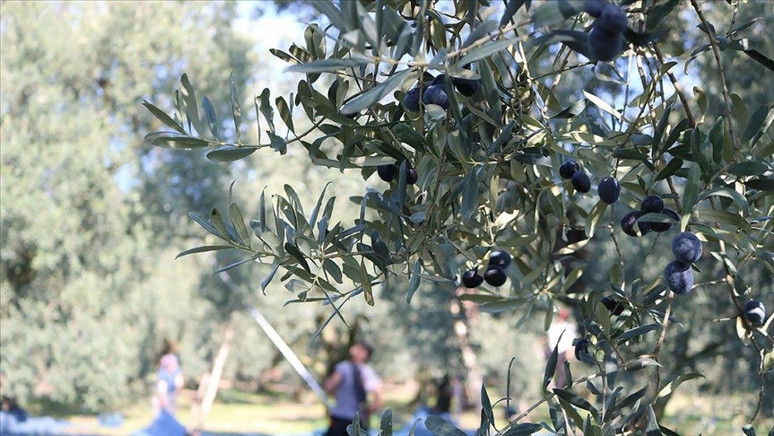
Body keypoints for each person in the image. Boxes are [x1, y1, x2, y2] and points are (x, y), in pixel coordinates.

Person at [323, 341, 383, 436]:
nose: (353, 349)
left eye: (357, 348)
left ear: (364, 353)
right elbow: (379, 400)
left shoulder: (343, 367)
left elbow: (329, 386)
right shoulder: (369, 372)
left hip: (340, 419)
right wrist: (368, 412)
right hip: (359, 421)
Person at [545, 308, 577, 388]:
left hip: (561, 351)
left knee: (561, 373)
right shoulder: (554, 326)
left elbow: (572, 340)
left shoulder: (568, 327)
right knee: (558, 372)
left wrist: (571, 350)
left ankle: (557, 390)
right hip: (556, 351)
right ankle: (552, 388)